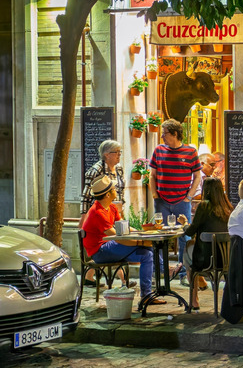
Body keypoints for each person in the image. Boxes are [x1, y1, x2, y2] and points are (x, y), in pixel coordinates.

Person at [82, 175, 167, 305]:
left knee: (147, 255)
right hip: (100, 252)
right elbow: (118, 237)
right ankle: (164, 269)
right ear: (107, 195)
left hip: (113, 247)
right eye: (113, 189)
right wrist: (141, 241)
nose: (116, 190)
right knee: (146, 245)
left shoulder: (111, 207)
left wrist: (141, 232)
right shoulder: (97, 212)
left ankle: (146, 295)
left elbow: (124, 227)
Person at [149, 119, 202, 286]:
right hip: (162, 201)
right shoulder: (158, 150)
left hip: (181, 201)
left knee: (185, 237)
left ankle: (183, 274)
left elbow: (198, 176)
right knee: (159, 236)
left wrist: (189, 196)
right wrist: (154, 195)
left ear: (175, 134)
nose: (162, 136)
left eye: (164, 133)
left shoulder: (190, 152)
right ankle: (161, 272)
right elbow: (152, 175)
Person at [79, 139, 127, 288]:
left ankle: (90, 278)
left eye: (120, 152)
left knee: (116, 237)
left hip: (114, 210)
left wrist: (121, 208)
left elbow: (120, 190)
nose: (119, 155)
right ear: (106, 154)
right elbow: (87, 196)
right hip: (102, 211)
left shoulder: (118, 169)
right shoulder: (96, 170)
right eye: (116, 152)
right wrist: (83, 219)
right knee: (113, 240)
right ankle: (123, 280)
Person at [183, 177, 232, 310]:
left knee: (187, 253)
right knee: (191, 251)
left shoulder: (204, 206)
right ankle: (203, 284)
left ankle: (194, 301)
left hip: (205, 260)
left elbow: (190, 231)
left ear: (206, 190)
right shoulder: (228, 207)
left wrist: (184, 224)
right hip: (226, 260)